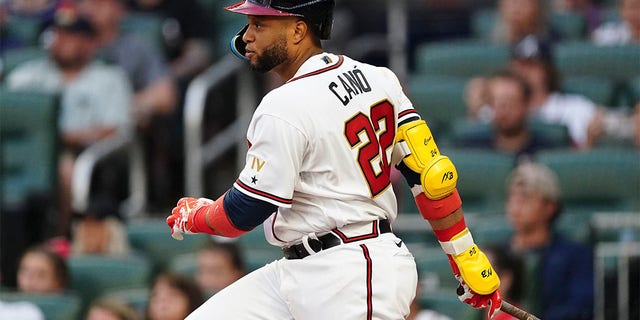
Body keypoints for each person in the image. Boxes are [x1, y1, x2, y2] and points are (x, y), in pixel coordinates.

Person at [165, 1, 502, 319]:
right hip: (296, 271)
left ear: (298, 30)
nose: (247, 36)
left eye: (259, 24)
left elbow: (244, 211)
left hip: (355, 270)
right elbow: (430, 176)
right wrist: (464, 255)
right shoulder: (379, 79)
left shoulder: (283, 105)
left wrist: (197, 215)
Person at [6, 7, 133, 237]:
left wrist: (64, 137)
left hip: (80, 157)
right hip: (22, 156)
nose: (60, 42)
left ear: (90, 43)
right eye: (57, 35)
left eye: (69, 36)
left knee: (64, 168)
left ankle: (60, 237)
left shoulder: (109, 78)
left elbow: (117, 130)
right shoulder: (25, 76)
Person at [78, 0, 179, 210]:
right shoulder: (70, 46)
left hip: (117, 134)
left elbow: (165, 95)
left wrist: (120, 104)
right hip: (75, 127)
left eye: (99, 4)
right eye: (85, 2)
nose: (90, 9)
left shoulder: (135, 47)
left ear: (118, 10)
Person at [503, 162, 593, 319]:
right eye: (512, 196)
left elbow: (580, 307)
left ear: (549, 206)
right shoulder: (499, 255)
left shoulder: (575, 255)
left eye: (525, 197)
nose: (516, 206)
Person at [456, 69, 566, 161]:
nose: (504, 109)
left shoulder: (549, 152)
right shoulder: (472, 149)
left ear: (526, 104)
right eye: (497, 102)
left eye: (511, 101)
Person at [491, 0, 561, 45]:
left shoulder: (551, 40)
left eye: (522, 3)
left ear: (537, 6)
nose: (516, 10)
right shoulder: (495, 41)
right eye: (512, 3)